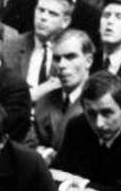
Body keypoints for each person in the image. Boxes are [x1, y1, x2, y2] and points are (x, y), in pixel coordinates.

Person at [31, 28, 93, 157]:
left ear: (88, 61)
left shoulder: (97, 100)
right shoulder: (44, 100)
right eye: (57, 59)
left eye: (71, 57)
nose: (62, 65)